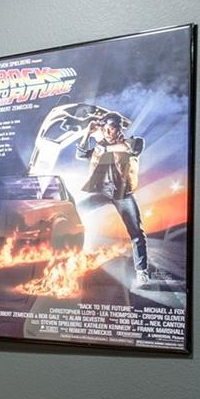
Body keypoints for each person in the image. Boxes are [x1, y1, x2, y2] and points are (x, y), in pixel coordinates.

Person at [76, 114, 150, 284]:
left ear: (119, 128)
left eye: (112, 128)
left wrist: (107, 149)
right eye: (105, 128)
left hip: (122, 194)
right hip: (101, 192)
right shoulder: (99, 146)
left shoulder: (130, 143)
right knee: (74, 211)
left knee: (136, 233)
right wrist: (87, 133)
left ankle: (142, 272)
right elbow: (80, 154)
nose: (108, 132)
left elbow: (134, 147)